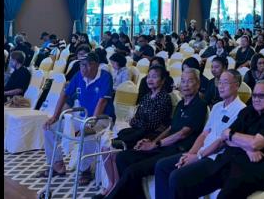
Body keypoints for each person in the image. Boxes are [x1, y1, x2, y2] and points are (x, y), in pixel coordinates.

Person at [164, 80, 264, 199]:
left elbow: (255, 143)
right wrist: (246, 147)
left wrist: (232, 135)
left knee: (225, 195)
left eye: (262, 96)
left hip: (251, 169)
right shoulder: (247, 111)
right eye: (254, 95)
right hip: (227, 161)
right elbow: (224, 137)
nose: (256, 99)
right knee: (179, 178)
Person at [99, 69, 208, 199]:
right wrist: (153, 142)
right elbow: (170, 128)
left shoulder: (199, 105)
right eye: (183, 81)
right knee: (123, 157)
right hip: (165, 146)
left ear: (198, 84)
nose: (185, 85)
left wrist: (156, 144)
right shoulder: (180, 104)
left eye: (190, 81)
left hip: (178, 149)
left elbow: (182, 133)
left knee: (133, 170)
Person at [154, 69, 247, 198]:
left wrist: (197, 157)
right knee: (162, 166)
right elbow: (204, 134)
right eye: (219, 82)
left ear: (237, 85)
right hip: (201, 152)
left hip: (216, 158)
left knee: (177, 176)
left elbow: (222, 142)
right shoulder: (217, 106)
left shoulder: (242, 111)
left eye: (225, 83)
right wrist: (190, 154)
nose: (220, 86)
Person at [38, 52, 115, 185]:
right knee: (49, 127)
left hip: (102, 118)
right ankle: (57, 165)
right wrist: (55, 117)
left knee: (87, 133)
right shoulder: (78, 75)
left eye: (87, 65)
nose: (83, 68)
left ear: (96, 65)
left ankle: (86, 170)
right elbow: (64, 95)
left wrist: (91, 122)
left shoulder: (105, 76)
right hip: (83, 116)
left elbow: (102, 102)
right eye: (81, 65)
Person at [98, 66, 173, 197]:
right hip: (137, 132)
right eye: (149, 76)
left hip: (149, 136)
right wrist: (138, 121)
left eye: (155, 77)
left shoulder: (164, 98)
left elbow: (152, 124)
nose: (150, 79)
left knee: (114, 152)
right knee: (105, 148)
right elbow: (134, 119)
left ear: (162, 80)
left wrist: (138, 121)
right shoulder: (146, 96)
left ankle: (117, 187)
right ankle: (112, 184)